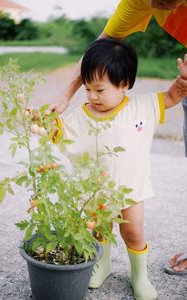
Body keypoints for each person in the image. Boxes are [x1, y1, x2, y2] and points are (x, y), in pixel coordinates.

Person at [50, 0, 187, 276]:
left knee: (133, 232)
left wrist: (182, 83)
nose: (91, 96)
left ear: (124, 84)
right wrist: (48, 116)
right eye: (88, 89)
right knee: (99, 231)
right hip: (97, 192)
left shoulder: (142, 106)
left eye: (99, 89)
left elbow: (172, 96)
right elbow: (61, 131)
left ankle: (139, 275)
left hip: (131, 192)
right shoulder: (84, 113)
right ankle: (102, 265)